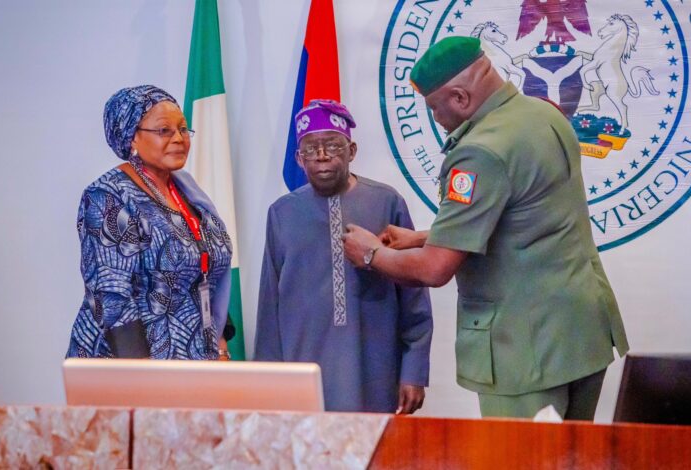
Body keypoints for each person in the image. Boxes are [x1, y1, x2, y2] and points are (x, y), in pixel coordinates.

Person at [343, 37, 629, 420]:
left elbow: (435, 269)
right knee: (574, 451)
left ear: (460, 97)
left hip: (527, 352)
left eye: (434, 107)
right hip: (582, 333)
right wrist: (423, 237)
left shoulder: (479, 151)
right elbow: (527, 214)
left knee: (519, 453)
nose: (435, 118)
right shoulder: (544, 115)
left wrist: (370, 253)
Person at [254, 99, 433, 413]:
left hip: (375, 368)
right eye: (311, 148)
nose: (322, 156)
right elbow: (270, 305)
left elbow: (413, 296)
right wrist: (269, 379)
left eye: (333, 146)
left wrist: (414, 371)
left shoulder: (386, 202)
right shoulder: (282, 213)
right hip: (303, 370)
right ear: (298, 158)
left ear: (352, 151)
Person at [66, 85, 234, 360]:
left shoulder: (188, 191)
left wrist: (220, 347)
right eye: (164, 130)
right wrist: (144, 373)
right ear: (132, 136)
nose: (179, 138)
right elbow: (111, 296)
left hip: (194, 357)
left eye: (183, 129)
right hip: (129, 364)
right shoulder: (108, 196)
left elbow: (207, 273)